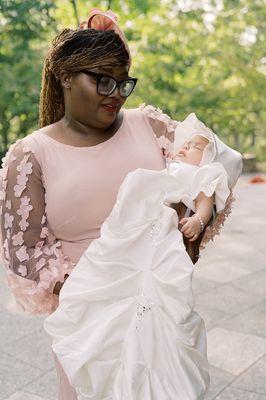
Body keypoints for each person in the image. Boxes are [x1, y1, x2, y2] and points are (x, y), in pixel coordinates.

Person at [0, 8, 242, 400]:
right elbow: (23, 253)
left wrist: (192, 232)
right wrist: (99, 287)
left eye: (122, 82)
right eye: (103, 82)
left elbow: (205, 174)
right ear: (65, 77)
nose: (116, 94)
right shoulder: (30, 155)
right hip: (90, 316)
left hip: (159, 303)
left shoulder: (149, 125)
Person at [44, 112, 242, 400]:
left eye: (196, 147)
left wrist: (197, 222)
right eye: (185, 144)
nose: (185, 148)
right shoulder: (169, 167)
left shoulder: (206, 175)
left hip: (162, 236)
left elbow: (203, 205)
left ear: (209, 157)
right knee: (115, 277)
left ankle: (142, 367)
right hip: (136, 228)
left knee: (152, 297)